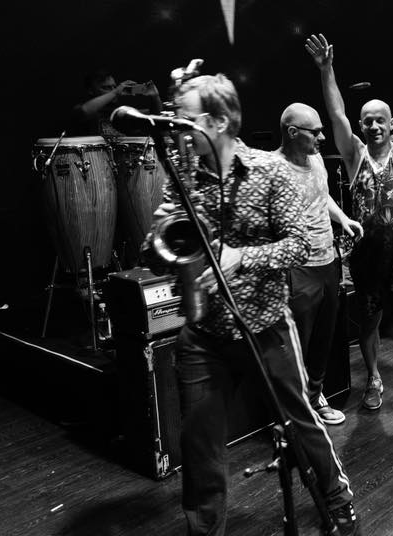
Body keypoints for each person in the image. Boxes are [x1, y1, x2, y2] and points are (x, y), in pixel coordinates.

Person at [142, 74, 356, 535]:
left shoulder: (269, 171)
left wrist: (241, 257)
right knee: (199, 446)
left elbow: (299, 245)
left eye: (186, 118)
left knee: (300, 421)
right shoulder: (183, 174)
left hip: (265, 324)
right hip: (204, 331)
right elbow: (157, 252)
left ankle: (337, 500)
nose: (178, 127)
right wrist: (159, 236)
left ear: (218, 121)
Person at [305, 21, 393, 427]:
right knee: (370, 324)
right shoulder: (354, 155)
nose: (373, 126)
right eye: (367, 121)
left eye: (380, 120)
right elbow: (336, 113)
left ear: (391, 124)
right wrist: (327, 70)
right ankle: (374, 380)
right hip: (366, 260)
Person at [277, 103, 364, 426]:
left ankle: (314, 399)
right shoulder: (275, 169)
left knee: (323, 339)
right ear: (292, 132)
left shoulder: (315, 160)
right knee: (297, 343)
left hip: (328, 262)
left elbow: (322, 195)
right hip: (298, 268)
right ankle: (293, 412)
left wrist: (342, 218)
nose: (322, 137)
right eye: (315, 132)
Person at [72, 69, 161, 139]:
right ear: (91, 90)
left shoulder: (120, 111)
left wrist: (155, 97)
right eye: (106, 87)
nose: (113, 90)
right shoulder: (84, 108)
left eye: (114, 87)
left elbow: (154, 116)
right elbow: (84, 111)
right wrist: (115, 92)